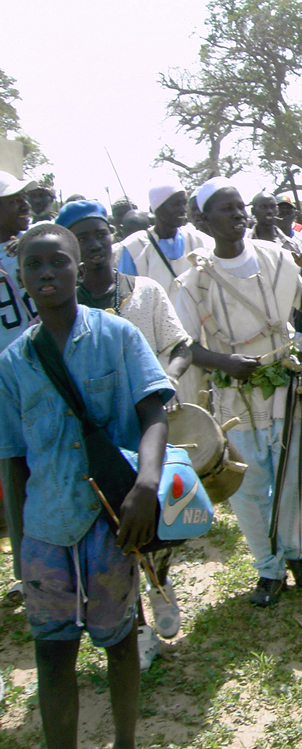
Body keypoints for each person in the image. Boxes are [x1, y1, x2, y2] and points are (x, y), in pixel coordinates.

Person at [0, 222, 173, 749]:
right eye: (34, 265)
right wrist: (18, 545)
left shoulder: (118, 336)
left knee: (119, 642)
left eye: (58, 261)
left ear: (79, 267)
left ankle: (125, 741)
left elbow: (154, 412)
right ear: (21, 277)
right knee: (51, 655)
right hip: (46, 532)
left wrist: (146, 485)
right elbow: (12, 461)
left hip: (110, 525)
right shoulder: (12, 363)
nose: (47, 272)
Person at [56, 200, 193, 670]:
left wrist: (168, 380)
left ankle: (160, 581)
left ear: (112, 236)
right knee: (112, 529)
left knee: (156, 516)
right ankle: (135, 624)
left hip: (146, 428)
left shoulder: (145, 292)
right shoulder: (63, 308)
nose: (95, 246)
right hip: (95, 439)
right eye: (82, 239)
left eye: (100, 235)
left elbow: (180, 345)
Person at [172, 178, 302, 608]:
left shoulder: (278, 259)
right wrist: (225, 364)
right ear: (203, 219)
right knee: (247, 486)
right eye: (225, 208)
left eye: (241, 207)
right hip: (235, 397)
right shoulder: (193, 282)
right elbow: (185, 344)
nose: (238, 214)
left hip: (284, 389)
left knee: (296, 475)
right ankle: (267, 568)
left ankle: (299, 554)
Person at [0, 170, 40, 606]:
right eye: (13, 200)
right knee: (15, 467)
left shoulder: (36, 246)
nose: (23, 205)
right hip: (4, 382)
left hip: (46, 369)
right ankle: (25, 569)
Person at [116, 178, 212, 291]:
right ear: (158, 208)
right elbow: (126, 293)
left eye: (184, 204)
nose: (183, 210)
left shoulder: (200, 241)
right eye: (176, 204)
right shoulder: (134, 248)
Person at [249, 192, 302, 256]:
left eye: (272, 207)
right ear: (253, 211)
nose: (269, 211)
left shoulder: (291, 245)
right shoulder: (245, 241)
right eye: (263, 207)